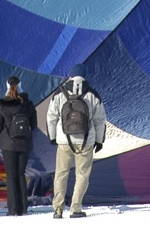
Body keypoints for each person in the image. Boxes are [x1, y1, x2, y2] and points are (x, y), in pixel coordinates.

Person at [46, 64, 106, 219]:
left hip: (64, 141)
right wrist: (99, 141)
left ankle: (58, 209)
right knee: (82, 175)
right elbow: (100, 121)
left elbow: (51, 117)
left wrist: (52, 137)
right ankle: (76, 208)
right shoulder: (93, 94)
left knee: (61, 174)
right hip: (86, 141)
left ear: (70, 76)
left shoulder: (59, 93)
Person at [0, 76, 36, 216]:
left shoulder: (3, 105)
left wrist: (7, 133)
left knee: (11, 176)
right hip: (24, 144)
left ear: (7, 86)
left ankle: (12, 210)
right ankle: (23, 209)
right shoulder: (28, 103)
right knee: (21, 174)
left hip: (8, 144)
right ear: (21, 85)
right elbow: (34, 125)